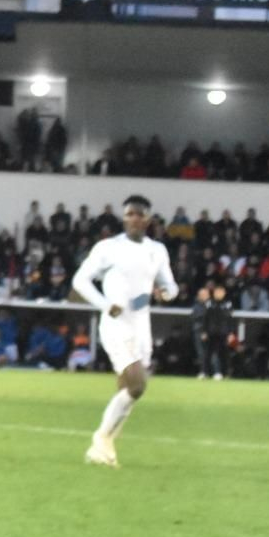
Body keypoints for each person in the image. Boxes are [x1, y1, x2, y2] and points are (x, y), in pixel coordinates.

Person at [71, 194, 178, 467]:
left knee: (127, 390)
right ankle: (101, 438)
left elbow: (171, 286)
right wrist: (106, 305)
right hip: (116, 325)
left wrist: (166, 293)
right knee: (138, 385)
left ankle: (103, 449)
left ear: (148, 219)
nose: (134, 219)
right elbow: (80, 281)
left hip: (142, 325)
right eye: (130, 214)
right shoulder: (108, 247)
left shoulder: (157, 250)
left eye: (140, 214)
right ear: (123, 217)